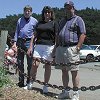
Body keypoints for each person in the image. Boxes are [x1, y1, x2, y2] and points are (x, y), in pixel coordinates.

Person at [54, 1, 86, 100]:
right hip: (61, 48)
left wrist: (78, 47)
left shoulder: (78, 19)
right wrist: (56, 47)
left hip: (72, 48)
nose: (68, 9)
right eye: (66, 8)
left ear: (73, 8)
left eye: (70, 8)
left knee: (74, 71)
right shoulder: (62, 20)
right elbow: (58, 34)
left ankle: (76, 93)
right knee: (64, 71)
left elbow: (83, 33)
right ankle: (65, 92)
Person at [26, 6, 58, 93]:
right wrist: (30, 47)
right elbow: (34, 36)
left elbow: (56, 37)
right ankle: (30, 82)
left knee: (47, 66)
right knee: (34, 65)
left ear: (51, 14)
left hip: (49, 46)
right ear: (43, 14)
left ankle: (45, 85)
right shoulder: (39, 23)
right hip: (38, 46)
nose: (47, 14)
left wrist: (55, 48)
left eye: (48, 12)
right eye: (45, 12)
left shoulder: (54, 23)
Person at [12, 5, 38, 87]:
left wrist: (35, 41)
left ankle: (28, 82)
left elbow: (37, 33)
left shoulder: (35, 21)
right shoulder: (19, 20)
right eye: (26, 11)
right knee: (20, 62)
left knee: (30, 63)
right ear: (23, 11)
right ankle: (21, 81)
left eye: (29, 11)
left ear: (31, 12)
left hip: (29, 42)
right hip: (20, 41)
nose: (27, 12)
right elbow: (16, 32)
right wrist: (14, 43)